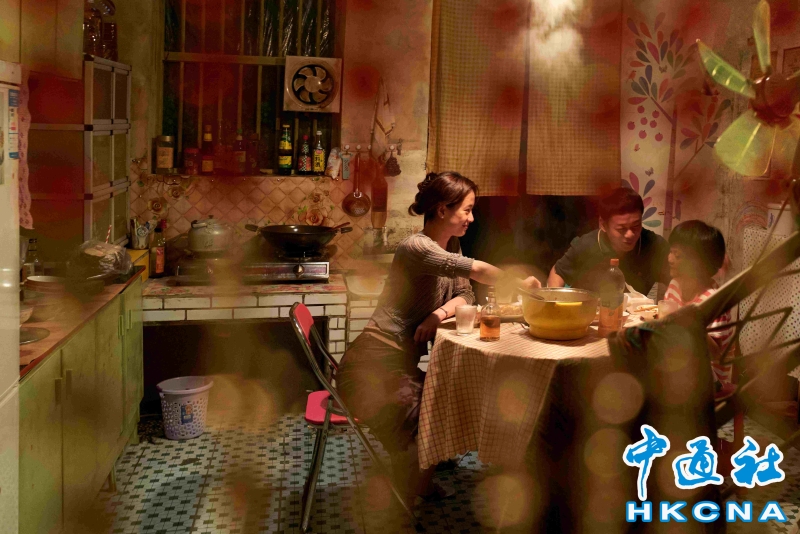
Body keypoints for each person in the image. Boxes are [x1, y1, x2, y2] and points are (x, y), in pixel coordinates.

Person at [336, 171, 541, 504]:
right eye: (467, 210)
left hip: (399, 364)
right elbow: (476, 272)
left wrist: (437, 315)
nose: (471, 219)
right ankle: (411, 490)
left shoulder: (452, 245)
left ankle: (421, 463)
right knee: (433, 413)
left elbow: (466, 294)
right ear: (443, 210)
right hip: (370, 369)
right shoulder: (416, 247)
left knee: (447, 402)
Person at [547, 186, 670, 297]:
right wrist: (554, 301)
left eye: (636, 226)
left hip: (635, 313)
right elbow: (558, 272)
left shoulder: (655, 245)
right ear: (603, 225)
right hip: (589, 311)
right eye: (621, 229)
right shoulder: (586, 245)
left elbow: (676, 278)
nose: (630, 234)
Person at [663, 220, 735, 391]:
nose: (670, 259)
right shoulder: (674, 285)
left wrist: (692, 323)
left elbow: (715, 354)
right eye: (671, 252)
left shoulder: (714, 301)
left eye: (677, 255)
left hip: (709, 382)